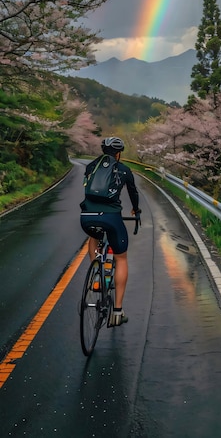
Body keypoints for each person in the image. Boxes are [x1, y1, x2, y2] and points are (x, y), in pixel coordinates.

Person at [80, 136, 140, 326]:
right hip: (111, 217)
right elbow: (133, 192)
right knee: (121, 258)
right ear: (118, 154)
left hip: (87, 217)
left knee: (94, 237)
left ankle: (97, 274)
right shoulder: (124, 170)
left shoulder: (91, 166)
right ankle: (117, 311)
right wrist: (135, 210)